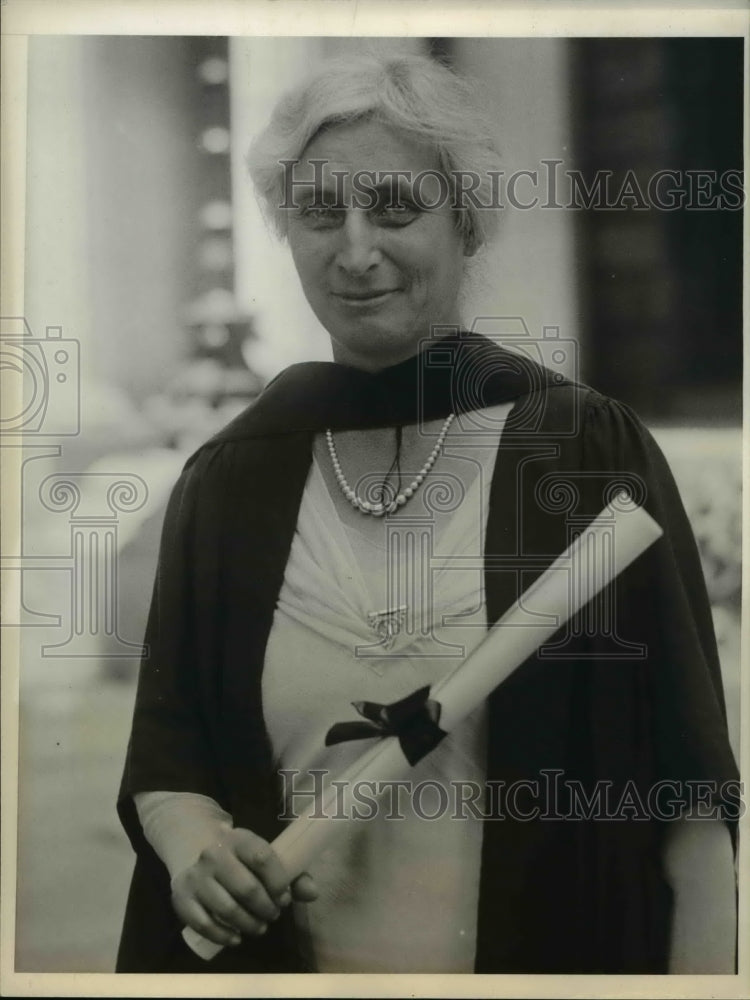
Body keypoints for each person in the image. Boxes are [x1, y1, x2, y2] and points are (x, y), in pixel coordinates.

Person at [116, 52, 739, 974]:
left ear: (469, 221)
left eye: (396, 208)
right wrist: (195, 851)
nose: (356, 249)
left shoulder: (580, 453)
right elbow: (172, 765)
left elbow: (691, 809)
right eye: (321, 212)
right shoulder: (231, 478)